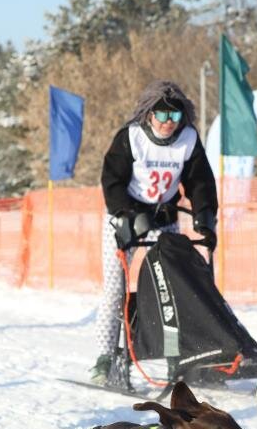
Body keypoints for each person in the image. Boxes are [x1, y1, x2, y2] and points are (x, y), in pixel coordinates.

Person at [90, 80, 218, 385]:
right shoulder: (131, 137)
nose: (167, 124)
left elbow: (200, 181)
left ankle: (178, 355)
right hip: (124, 218)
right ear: (149, 114)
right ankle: (105, 358)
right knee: (115, 287)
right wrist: (126, 214)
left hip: (164, 218)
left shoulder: (187, 139)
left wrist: (205, 215)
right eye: (161, 116)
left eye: (174, 117)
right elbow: (112, 179)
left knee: (174, 286)